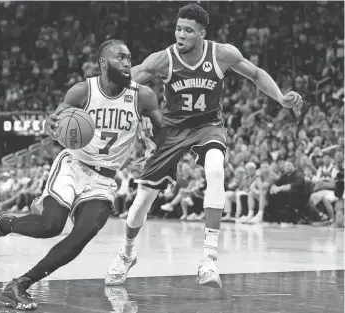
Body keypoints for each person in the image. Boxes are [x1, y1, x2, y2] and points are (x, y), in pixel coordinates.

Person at [104, 3, 303, 289]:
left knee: (215, 170)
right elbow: (130, 77)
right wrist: (96, 91)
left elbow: (257, 74)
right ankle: (126, 253)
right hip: (171, 129)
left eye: (187, 30)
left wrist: (281, 97)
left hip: (207, 125)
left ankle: (209, 257)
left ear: (201, 33)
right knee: (141, 202)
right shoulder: (164, 59)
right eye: (178, 28)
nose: (180, 34)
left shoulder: (222, 54)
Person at [0, 39, 163, 310]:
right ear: (103, 62)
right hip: (74, 165)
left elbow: (164, 130)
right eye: (120, 57)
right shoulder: (83, 91)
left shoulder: (143, 96)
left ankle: (20, 284)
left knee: (83, 233)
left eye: (129, 57)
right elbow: (56, 121)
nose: (127, 62)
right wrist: (51, 124)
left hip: (105, 178)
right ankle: (1, 224)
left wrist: (155, 142)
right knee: (51, 226)